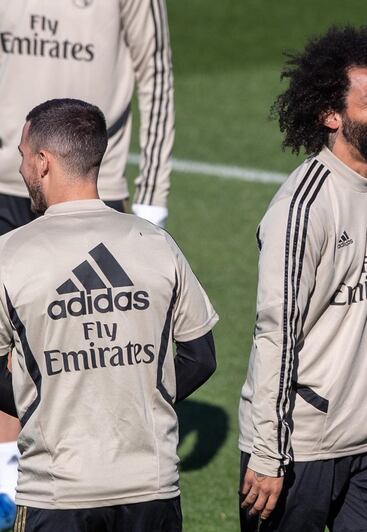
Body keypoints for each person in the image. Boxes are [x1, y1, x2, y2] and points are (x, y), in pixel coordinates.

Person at [237, 25, 367, 532]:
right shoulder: (303, 208)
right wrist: (268, 452)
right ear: (332, 115)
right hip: (297, 444)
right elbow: (277, 331)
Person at [0, 98, 216, 531]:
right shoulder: (155, 243)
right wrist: (138, 399)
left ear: (43, 162)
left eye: (23, 157)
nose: (21, 170)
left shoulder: (9, 254)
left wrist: (43, 408)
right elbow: (200, 357)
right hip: (152, 489)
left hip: (57, 493)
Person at [0, 2, 175, 517]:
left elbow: (157, 69)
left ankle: (96, 474)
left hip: (88, 184)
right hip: (6, 178)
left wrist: (152, 197)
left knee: (85, 334)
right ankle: (8, 473)